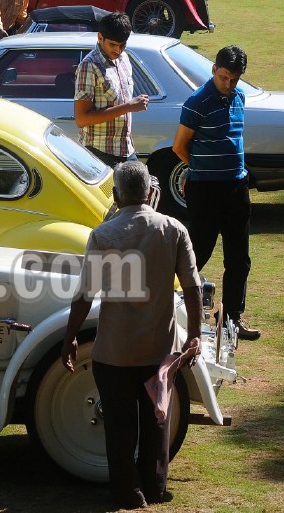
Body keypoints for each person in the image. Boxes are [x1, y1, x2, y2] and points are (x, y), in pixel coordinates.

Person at [62, 161, 202, 510]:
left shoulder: (103, 234)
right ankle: (154, 487)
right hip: (158, 350)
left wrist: (69, 339)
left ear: (115, 195)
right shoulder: (174, 229)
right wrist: (194, 335)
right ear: (152, 193)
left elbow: (84, 295)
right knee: (157, 419)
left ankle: (128, 493)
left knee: (119, 428)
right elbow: (193, 287)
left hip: (114, 351)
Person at [172, 45, 260, 341]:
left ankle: (232, 320)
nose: (228, 84)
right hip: (205, 190)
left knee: (239, 258)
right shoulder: (197, 101)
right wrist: (200, 170)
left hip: (236, 187)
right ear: (214, 70)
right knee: (197, 254)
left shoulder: (239, 97)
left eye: (234, 79)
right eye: (224, 77)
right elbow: (179, 146)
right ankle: (177, 309)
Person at [73, 12, 150, 166]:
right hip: (99, 154)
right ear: (100, 37)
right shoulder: (89, 66)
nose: (118, 50)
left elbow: (123, 117)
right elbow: (82, 119)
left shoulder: (124, 59)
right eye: (113, 45)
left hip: (126, 150)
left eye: (123, 45)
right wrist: (129, 106)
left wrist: (131, 145)